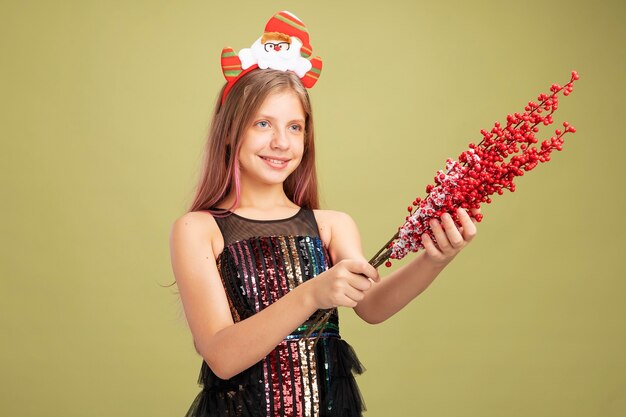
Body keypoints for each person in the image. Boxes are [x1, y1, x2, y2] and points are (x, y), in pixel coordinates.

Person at [169, 10, 479, 417]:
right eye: (263, 124)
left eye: (295, 127)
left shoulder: (332, 226)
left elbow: (371, 306)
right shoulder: (198, 230)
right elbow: (222, 357)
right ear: (229, 131)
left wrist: (434, 260)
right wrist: (312, 293)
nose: (281, 142)